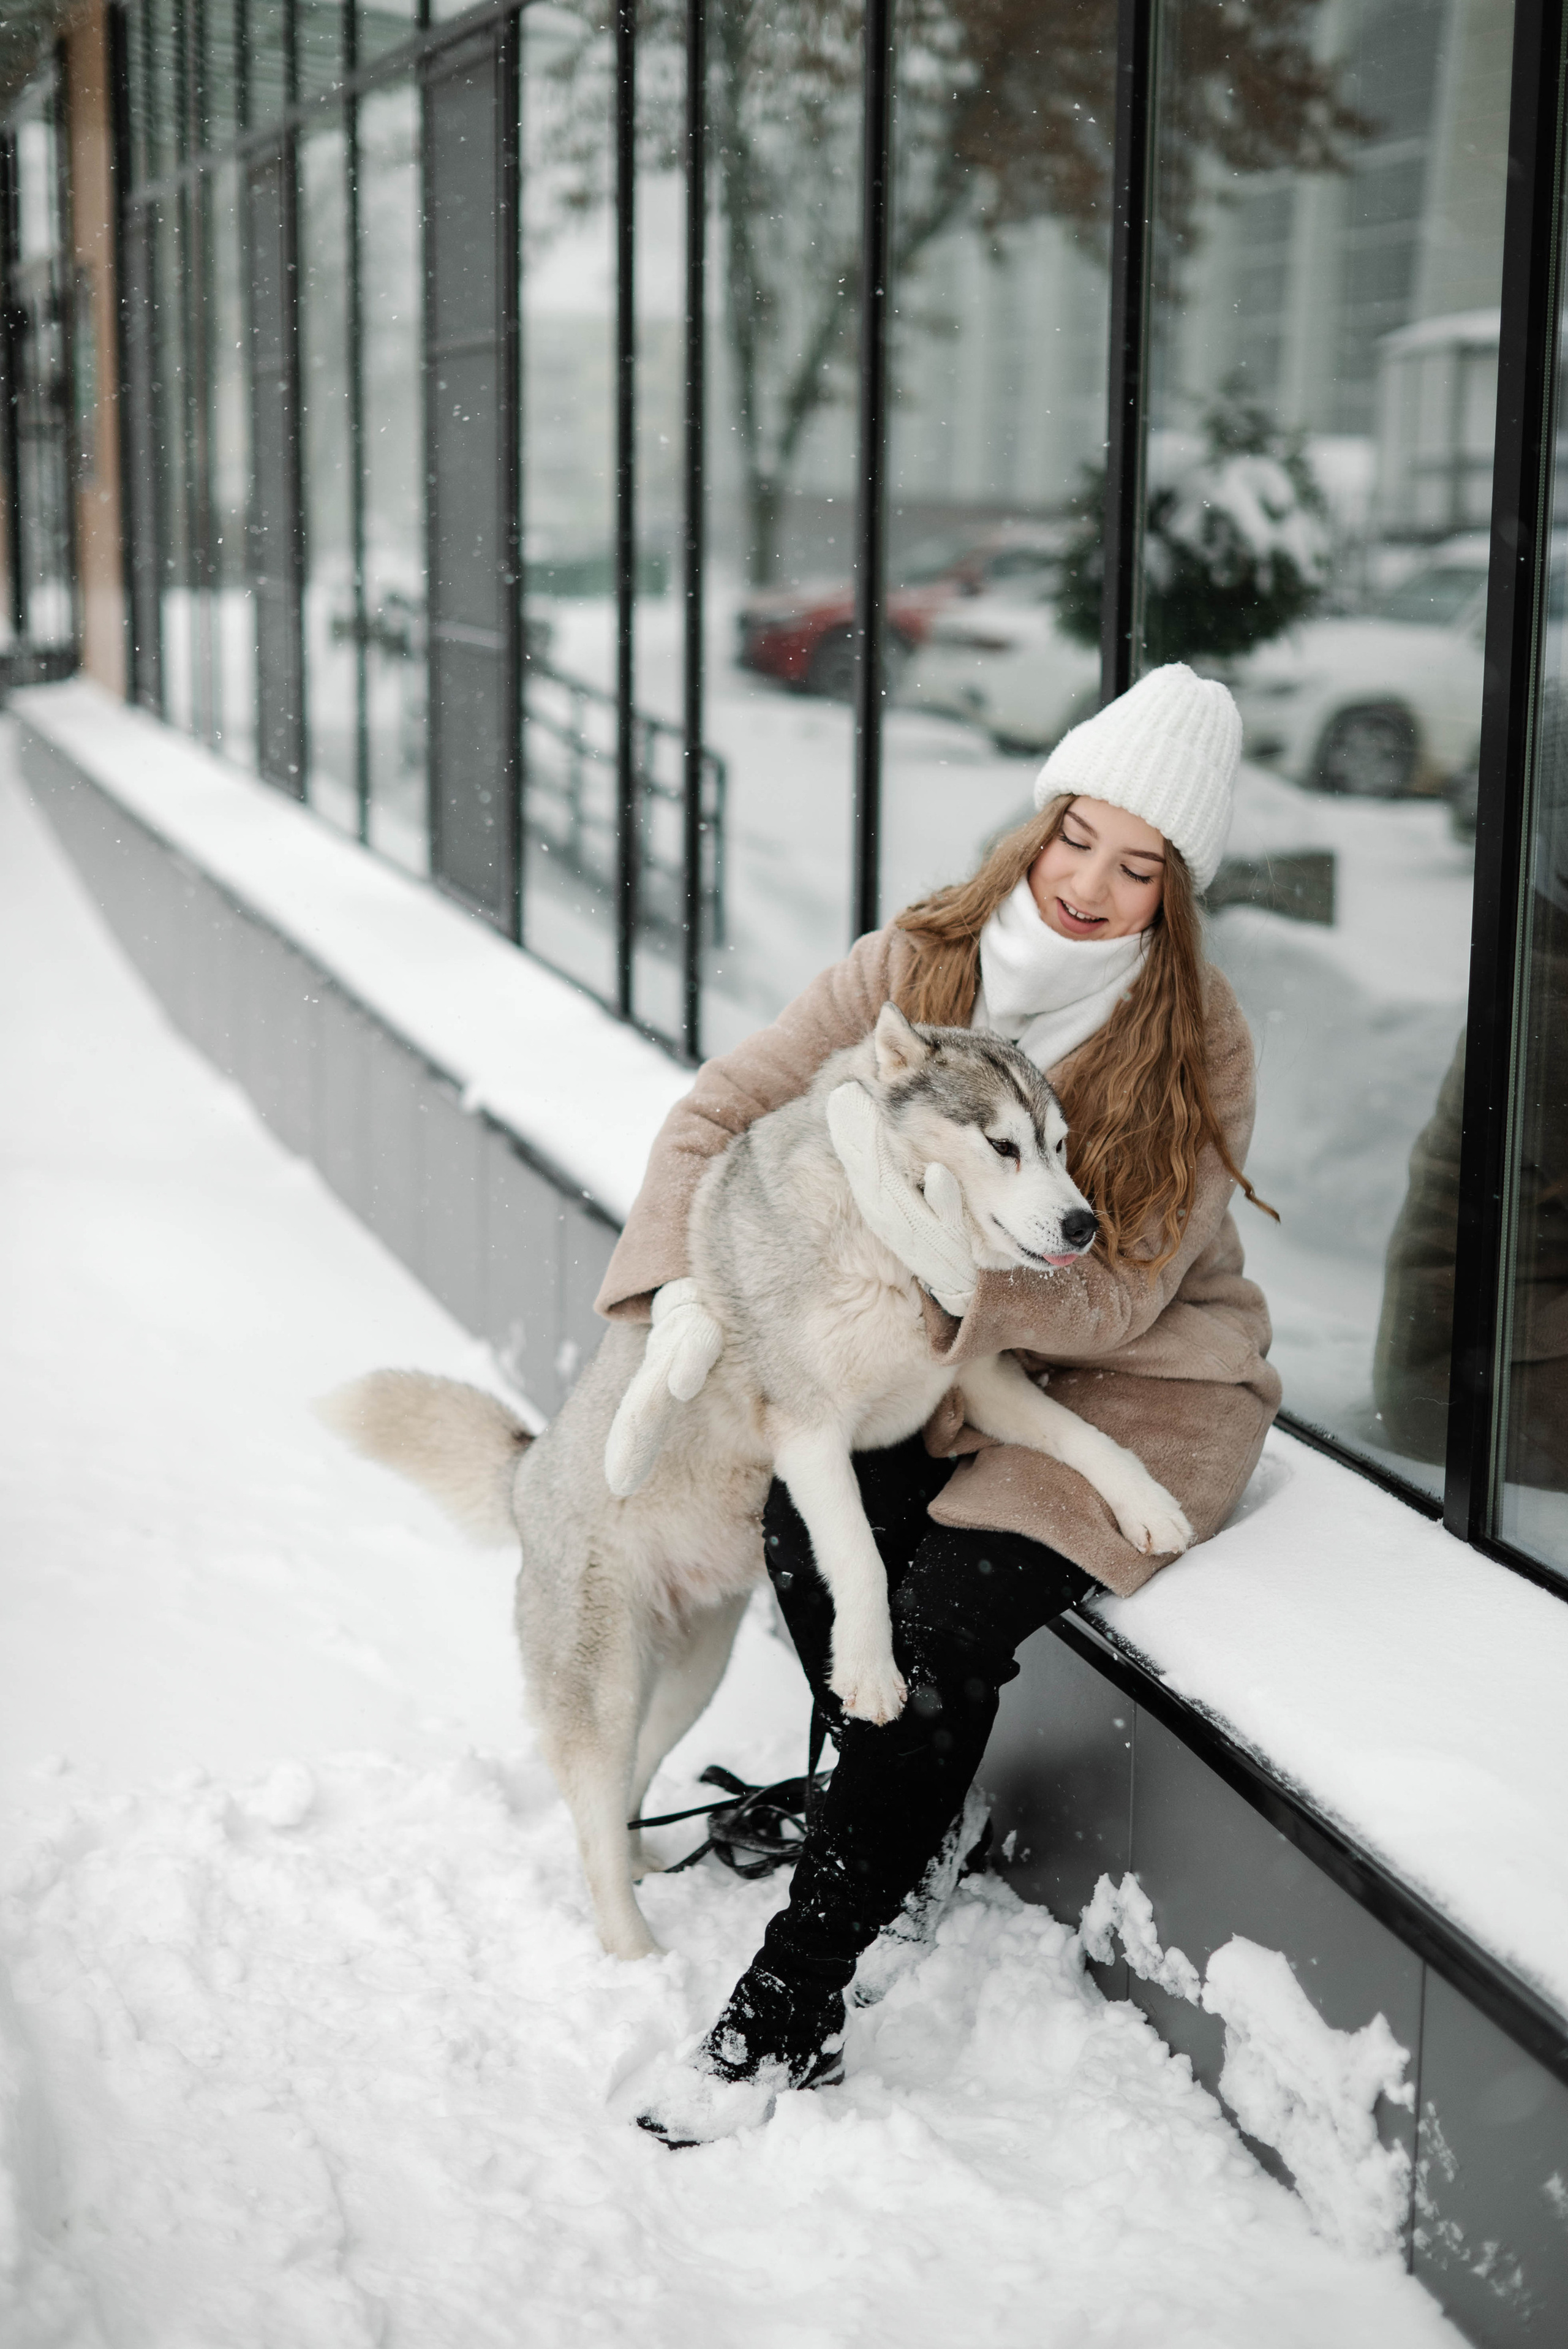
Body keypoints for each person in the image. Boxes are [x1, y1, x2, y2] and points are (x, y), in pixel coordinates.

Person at [594, 662, 1281, 2135]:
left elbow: (1124, 1286)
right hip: (921, 1368)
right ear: (1032, 827)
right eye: (1073, 837)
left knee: (933, 1625)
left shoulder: (1193, 1034)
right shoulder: (920, 957)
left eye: (1137, 864)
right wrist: (685, 1296)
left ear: (1176, 889)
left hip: (1125, 1387)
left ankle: (787, 2009)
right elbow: (728, 1107)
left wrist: (912, 1248)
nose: (1091, 883)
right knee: (810, 1546)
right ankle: (892, 1827)